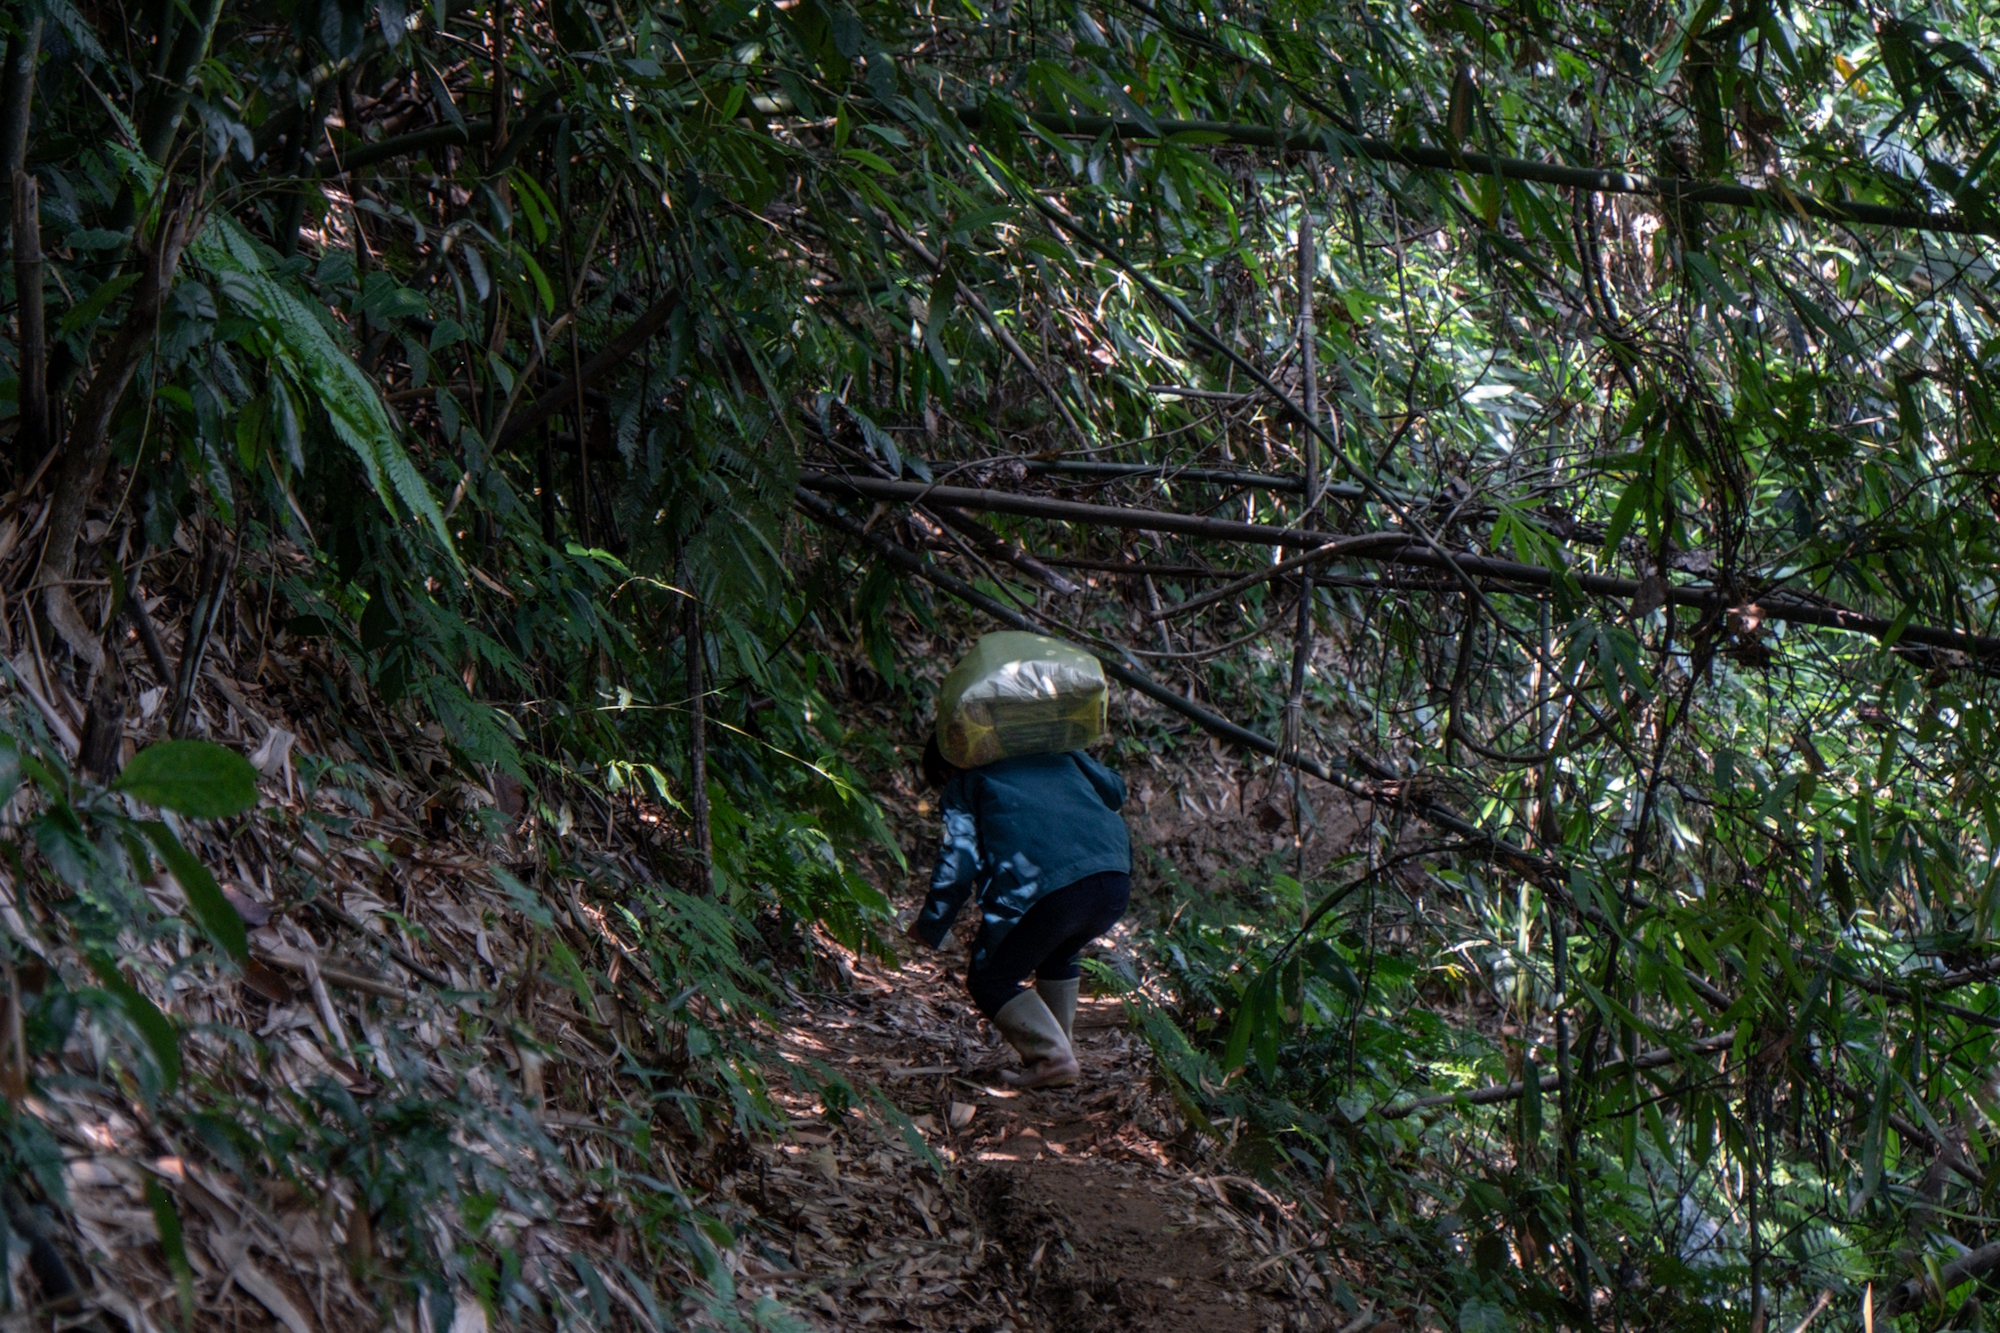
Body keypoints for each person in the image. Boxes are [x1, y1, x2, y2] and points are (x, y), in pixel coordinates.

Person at [905, 734, 1132, 1088]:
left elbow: (958, 864)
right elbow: (1116, 792)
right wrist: (1069, 749)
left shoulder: (966, 783)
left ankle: (1053, 1058)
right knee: (1058, 955)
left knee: (990, 980)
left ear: (947, 766)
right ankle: (1062, 1049)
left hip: (1050, 892)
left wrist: (932, 923)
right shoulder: (1057, 754)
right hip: (1114, 881)